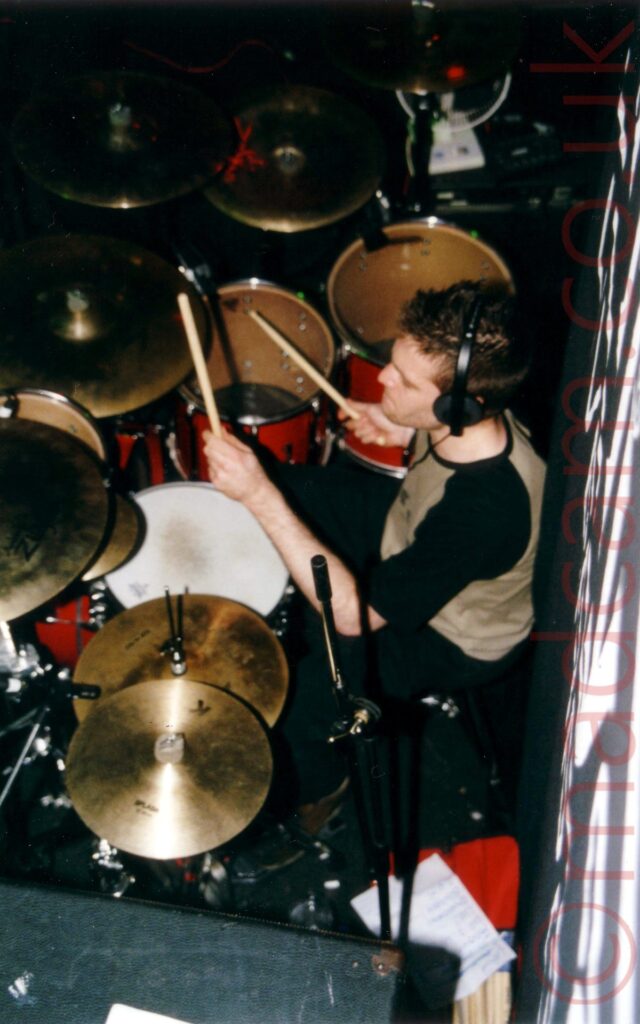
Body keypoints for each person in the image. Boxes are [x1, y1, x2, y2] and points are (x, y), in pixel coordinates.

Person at [203, 281, 546, 833]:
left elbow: (354, 617)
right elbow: (425, 440)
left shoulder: (486, 510)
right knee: (279, 489)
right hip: (406, 529)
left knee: (291, 706)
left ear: (457, 404)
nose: (382, 377)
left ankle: (320, 793)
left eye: (404, 381)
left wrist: (259, 495)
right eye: (393, 363)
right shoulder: (464, 423)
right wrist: (398, 419)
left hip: (451, 636)